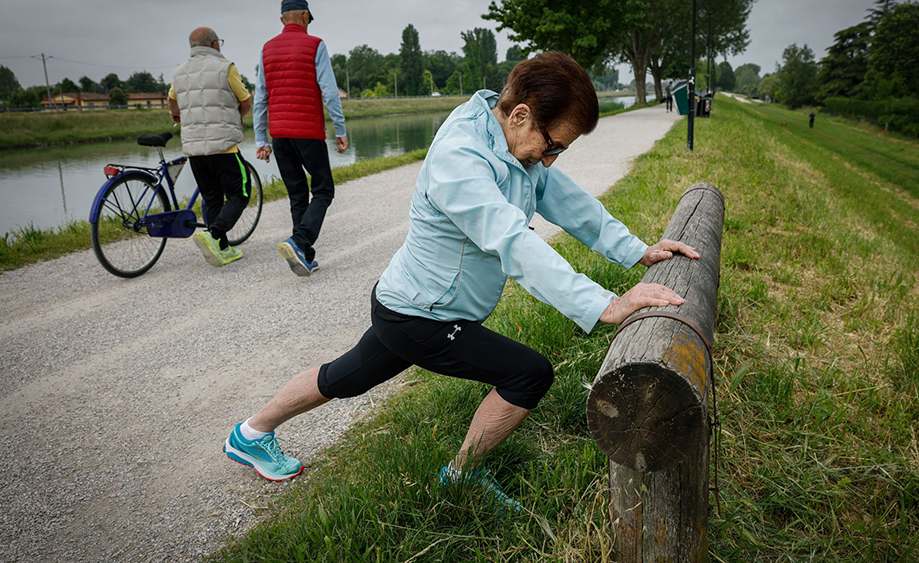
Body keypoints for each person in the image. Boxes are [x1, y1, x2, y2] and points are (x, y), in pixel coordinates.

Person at [224, 52, 699, 510]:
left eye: (561, 150)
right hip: (420, 315)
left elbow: (568, 200)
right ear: (519, 115)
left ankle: (250, 433)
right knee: (528, 374)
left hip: (406, 303)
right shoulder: (460, 157)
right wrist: (602, 304)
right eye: (552, 145)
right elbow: (512, 241)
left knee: (343, 378)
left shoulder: (514, 145)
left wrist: (637, 250)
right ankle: (461, 476)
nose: (551, 159)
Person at [254, 0, 348, 277]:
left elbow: (261, 97)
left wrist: (261, 139)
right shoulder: (315, 45)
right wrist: (340, 130)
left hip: (280, 134)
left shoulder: (267, 49)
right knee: (323, 190)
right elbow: (330, 92)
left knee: (297, 193)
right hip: (308, 132)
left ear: (282, 19)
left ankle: (304, 256)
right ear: (305, 15)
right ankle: (299, 241)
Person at [168, 27, 254, 267]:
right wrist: (234, 118)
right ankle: (213, 234)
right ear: (215, 44)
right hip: (223, 146)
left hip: (195, 149)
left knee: (212, 196)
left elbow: (172, 101)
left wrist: (176, 116)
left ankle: (223, 248)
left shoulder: (179, 71)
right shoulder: (226, 67)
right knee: (241, 192)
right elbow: (246, 102)